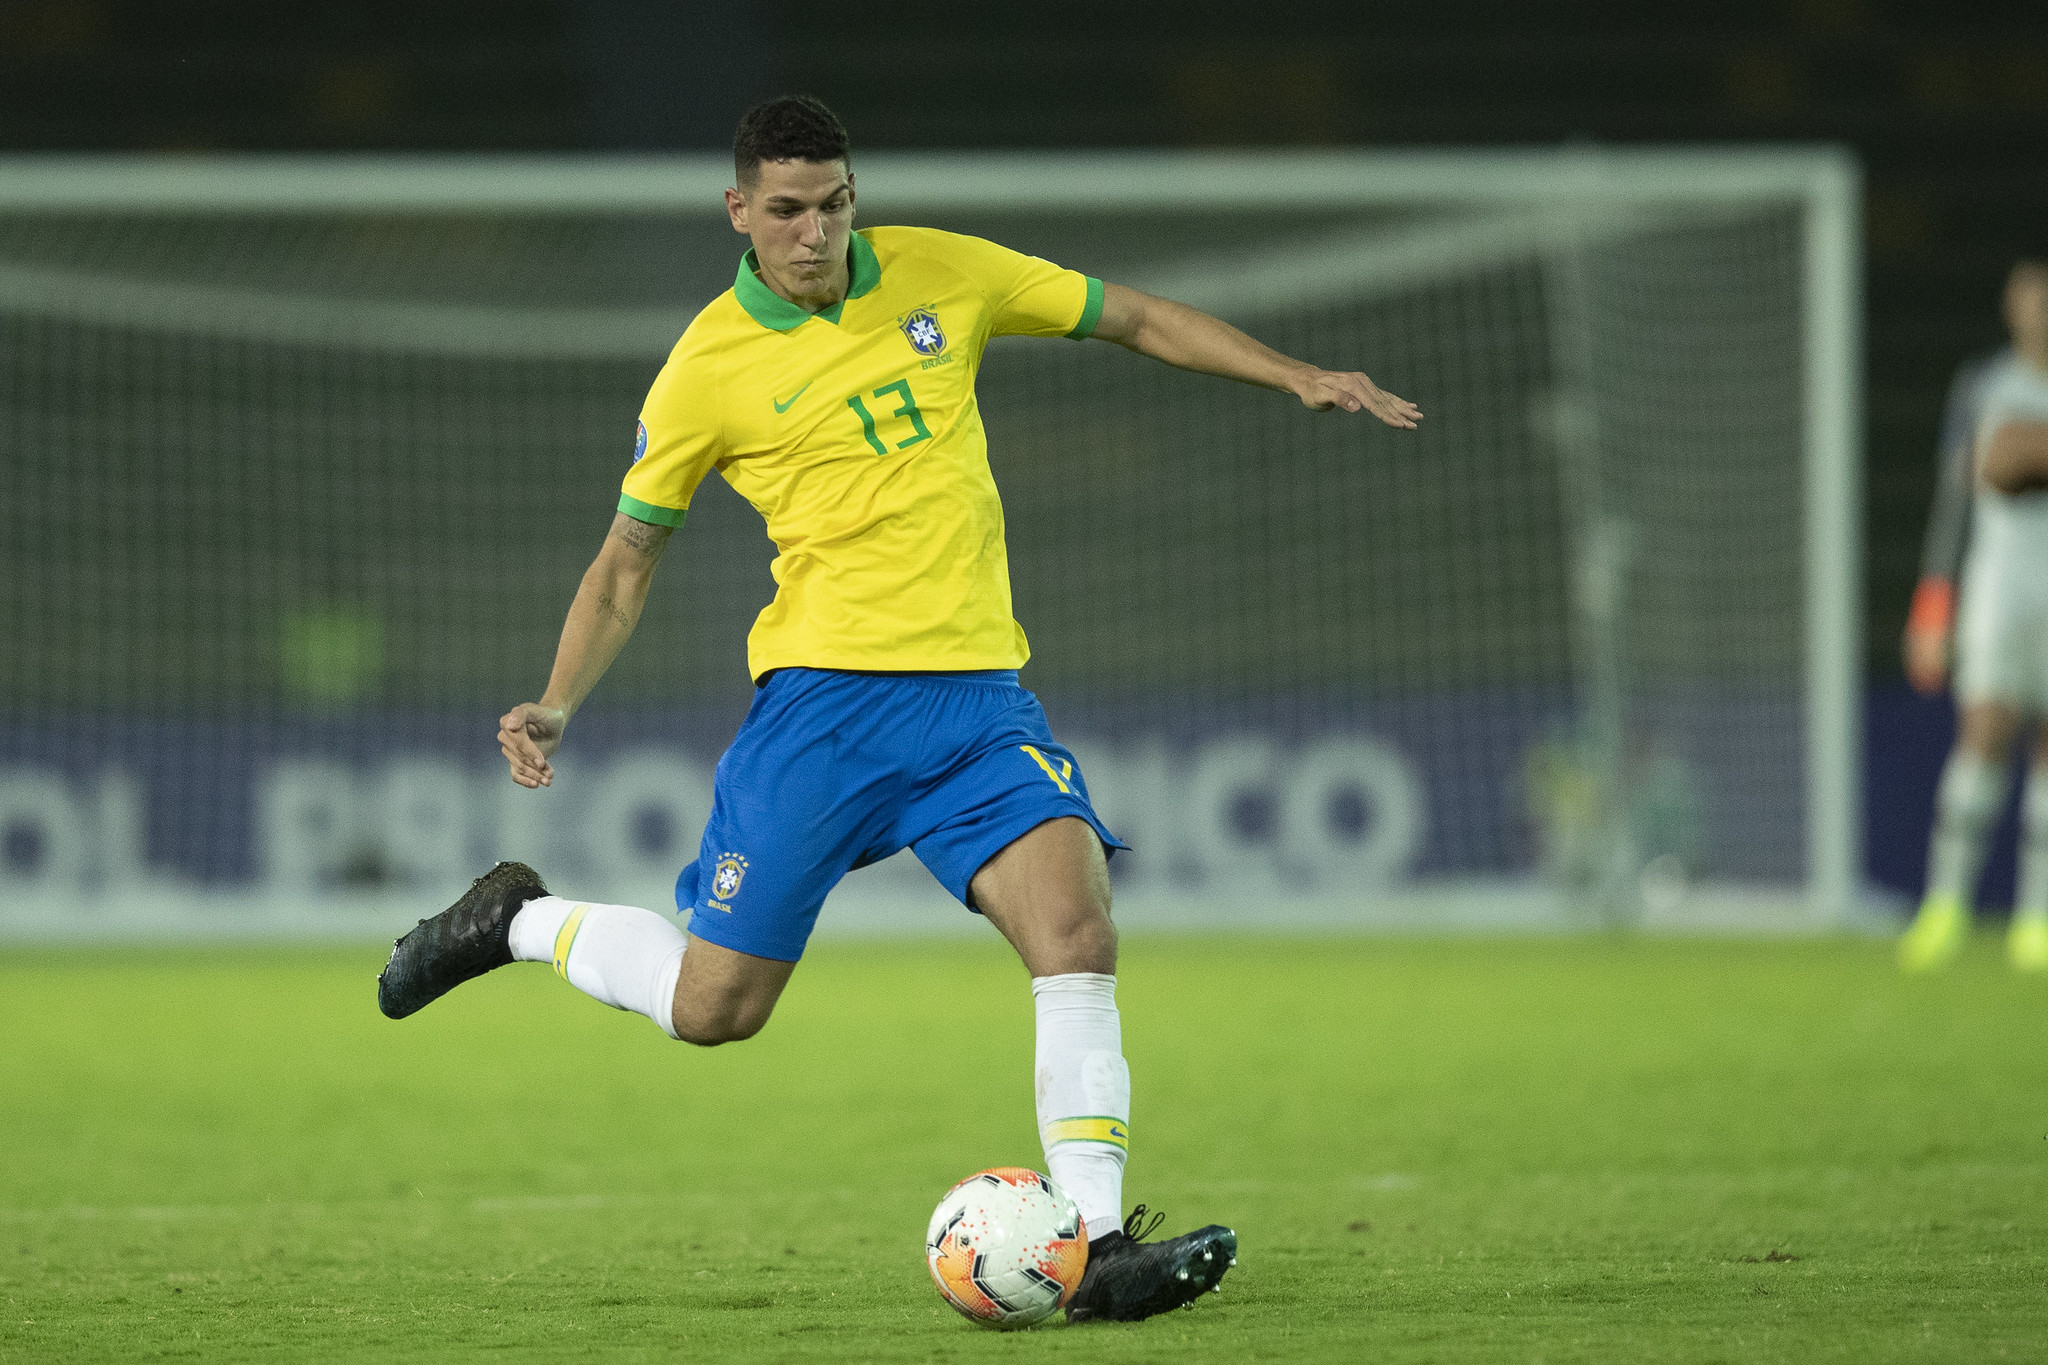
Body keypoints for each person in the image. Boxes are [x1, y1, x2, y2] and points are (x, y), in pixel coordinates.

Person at [376, 95, 1421, 1321]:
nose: (813, 233)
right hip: (820, 714)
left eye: (831, 205)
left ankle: (1090, 1248)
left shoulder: (943, 274)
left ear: (852, 195)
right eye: (785, 212)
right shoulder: (708, 366)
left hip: (979, 705)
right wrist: (554, 701)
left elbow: (1126, 315)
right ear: (738, 213)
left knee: (1076, 936)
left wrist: (1290, 372)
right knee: (714, 1011)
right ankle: (514, 922)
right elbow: (626, 559)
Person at [1898, 259, 2048, 972]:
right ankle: (1945, 905)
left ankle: (2036, 921)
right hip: (2000, 586)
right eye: (2033, 296)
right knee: (1984, 733)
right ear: (2011, 305)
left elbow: (2017, 461)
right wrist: (1935, 599)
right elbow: (1963, 492)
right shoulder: (1984, 385)